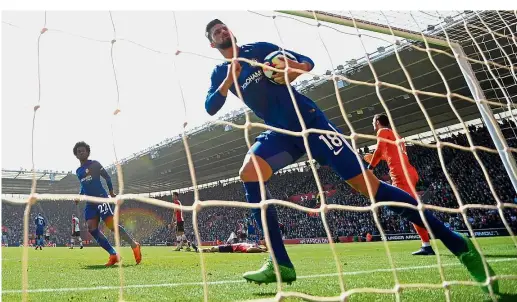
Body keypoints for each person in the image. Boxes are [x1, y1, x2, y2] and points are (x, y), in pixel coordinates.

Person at [203, 19, 497, 293]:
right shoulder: (219, 73)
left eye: (223, 28)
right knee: (249, 172)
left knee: (370, 188)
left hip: (311, 123)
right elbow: (211, 107)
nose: (222, 32)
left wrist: (290, 68)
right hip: (281, 135)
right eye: (215, 33)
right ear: (211, 43)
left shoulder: (261, 49)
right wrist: (229, 80)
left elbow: (307, 63)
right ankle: (280, 262)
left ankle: (458, 245)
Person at [366, 113, 434, 256]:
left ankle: (439, 234)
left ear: (377, 121)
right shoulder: (395, 135)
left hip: (400, 174)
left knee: (409, 208)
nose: (373, 124)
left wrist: (370, 168)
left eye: (373, 121)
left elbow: (379, 151)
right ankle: (427, 243)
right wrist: (371, 158)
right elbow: (389, 156)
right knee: (410, 208)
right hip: (408, 171)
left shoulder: (382, 131)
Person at [73, 141, 141, 266]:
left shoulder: (95, 164)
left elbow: (107, 177)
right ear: (76, 155)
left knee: (112, 226)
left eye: (83, 150)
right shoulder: (78, 171)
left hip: (101, 199)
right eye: (78, 151)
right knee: (91, 228)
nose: (81, 152)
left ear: (87, 152)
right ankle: (113, 254)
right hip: (90, 203)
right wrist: (79, 196)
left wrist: (111, 192)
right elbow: (83, 185)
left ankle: (134, 245)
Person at [202, 242, 267, 253]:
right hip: (233, 246)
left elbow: (249, 250)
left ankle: (201, 250)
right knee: (214, 249)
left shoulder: (250, 247)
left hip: (232, 247)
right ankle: (203, 250)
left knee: (214, 248)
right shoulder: (255, 246)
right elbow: (265, 249)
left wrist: (262, 250)